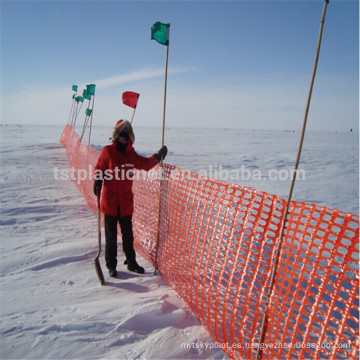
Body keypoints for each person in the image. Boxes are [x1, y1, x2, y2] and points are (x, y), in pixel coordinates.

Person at [93, 120, 167, 278]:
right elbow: (99, 168)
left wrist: (157, 157)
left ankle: (131, 263)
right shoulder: (107, 151)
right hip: (110, 201)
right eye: (121, 137)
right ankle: (111, 265)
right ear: (116, 136)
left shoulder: (131, 154)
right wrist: (97, 179)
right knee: (111, 236)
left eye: (126, 138)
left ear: (129, 138)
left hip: (125, 203)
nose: (123, 140)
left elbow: (144, 164)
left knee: (128, 235)